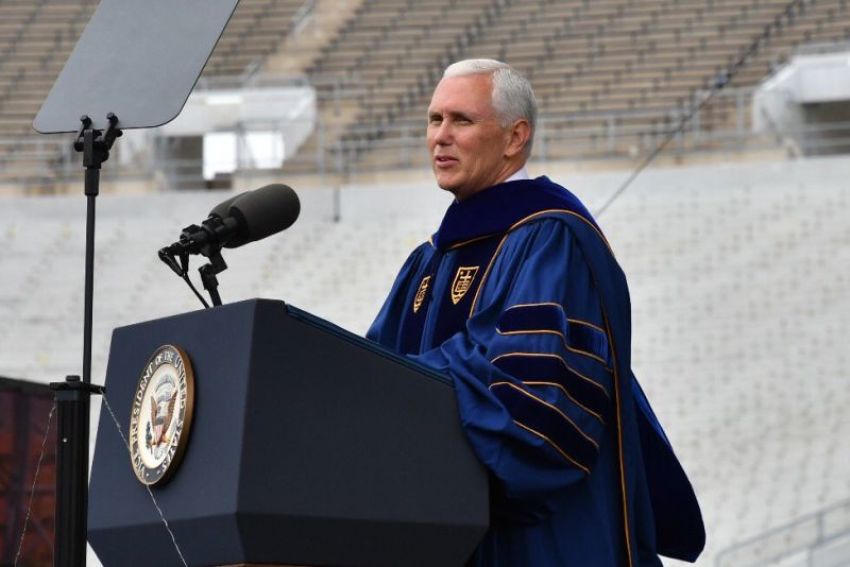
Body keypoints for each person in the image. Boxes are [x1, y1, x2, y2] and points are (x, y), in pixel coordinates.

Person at [367, 59, 704, 566]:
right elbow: (369, 371)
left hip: (537, 540)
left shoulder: (552, 237)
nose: (440, 137)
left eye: (461, 120)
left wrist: (409, 381)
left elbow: (536, 400)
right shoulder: (429, 260)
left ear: (514, 137)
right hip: (443, 535)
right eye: (434, 120)